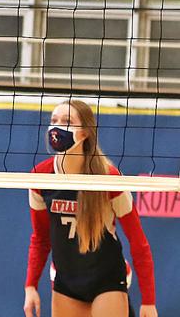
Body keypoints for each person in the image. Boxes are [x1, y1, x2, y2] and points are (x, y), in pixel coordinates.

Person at [24, 99, 157, 317]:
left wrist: (149, 302)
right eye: (54, 120)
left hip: (107, 278)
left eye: (67, 121)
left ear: (84, 133)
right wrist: (30, 286)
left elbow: (138, 242)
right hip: (67, 280)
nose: (57, 127)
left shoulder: (109, 178)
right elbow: (40, 239)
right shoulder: (40, 176)